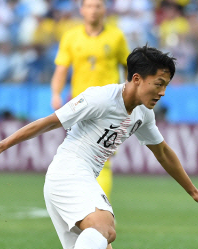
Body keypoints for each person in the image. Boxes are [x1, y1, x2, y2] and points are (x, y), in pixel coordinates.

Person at [0, 45, 198, 249]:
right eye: (159, 84)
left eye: (165, 85)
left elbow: (163, 151)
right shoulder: (100, 98)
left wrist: (193, 191)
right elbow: (50, 122)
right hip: (68, 172)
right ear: (136, 79)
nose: (162, 92)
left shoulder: (143, 114)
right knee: (105, 226)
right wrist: (3, 144)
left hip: (78, 178)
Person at [51, 0, 131, 201]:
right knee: (80, 157)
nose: (93, 10)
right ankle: (87, 204)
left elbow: (129, 67)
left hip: (110, 104)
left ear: (104, 10)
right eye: (89, 6)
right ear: (81, 10)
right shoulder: (71, 37)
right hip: (80, 104)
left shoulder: (116, 36)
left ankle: (99, 206)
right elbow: (61, 69)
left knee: (103, 157)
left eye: (98, 6)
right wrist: (56, 94)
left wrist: (131, 95)